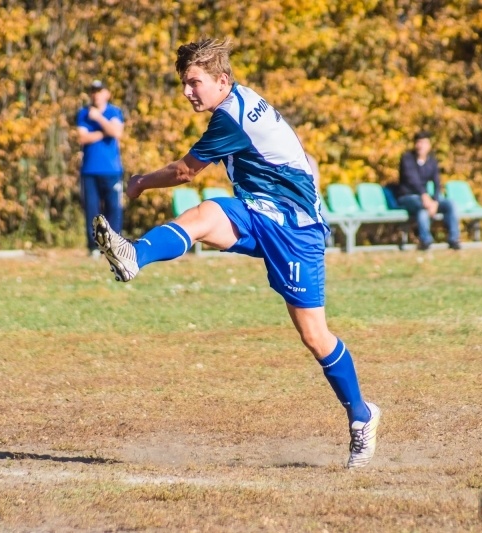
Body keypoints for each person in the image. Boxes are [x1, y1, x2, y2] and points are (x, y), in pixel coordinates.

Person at [92, 38, 380, 468]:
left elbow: (184, 171)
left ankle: (361, 415)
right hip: (258, 212)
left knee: (315, 336)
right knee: (206, 215)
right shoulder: (241, 101)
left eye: (195, 83)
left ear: (221, 80)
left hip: (295, 229)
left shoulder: (231, 117)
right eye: (185, 84)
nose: (188, 92)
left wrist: (139, 183)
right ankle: (133, 255)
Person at [76, 79, 125, 257]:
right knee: (92, 210)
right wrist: (105, 131)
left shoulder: (114, 111)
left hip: (112, 170)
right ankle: (94, 247)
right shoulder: (83, 113)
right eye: (93, 91)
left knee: (114, 208)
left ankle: (114, 245)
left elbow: (117, 133)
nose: (96, 94)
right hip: (89, 170)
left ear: (107, 93)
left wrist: (98, 119)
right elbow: (82, 138)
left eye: (99, 91)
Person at [397, 131, 461, 250]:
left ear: (429, 145)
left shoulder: (432, 161)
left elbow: (437, 182)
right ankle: (426, 240)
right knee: (423, 207)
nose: (421, 146)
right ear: (415, 144)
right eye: (419, 142)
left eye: (425, 143)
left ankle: (454, 239)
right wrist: (424, 196)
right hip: (408, 197)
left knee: (450, 204)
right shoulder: (407, 159)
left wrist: (435, 200)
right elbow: (412, 180)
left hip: (426, 199)